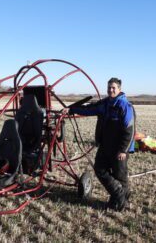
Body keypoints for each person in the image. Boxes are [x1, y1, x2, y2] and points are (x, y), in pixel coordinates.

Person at [62, 77, 135, 211]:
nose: (111, 90)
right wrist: (71, 110)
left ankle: (119, 202)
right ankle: (120, 196)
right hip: (105, 145)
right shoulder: (105, 104)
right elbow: (88, 109)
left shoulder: (125, 106)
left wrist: (123, 150)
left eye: (113, 88)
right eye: (109, 88)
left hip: (119, 148)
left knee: (120, 176)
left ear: (119, 89)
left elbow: (129, 131)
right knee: (99, 169)